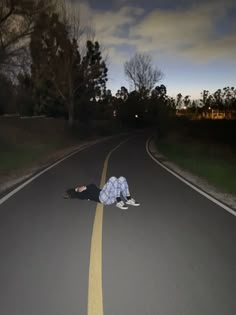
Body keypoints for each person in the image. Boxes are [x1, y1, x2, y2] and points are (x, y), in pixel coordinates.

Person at [63, 176, 140, 210]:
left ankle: (128, 198)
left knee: (121, 179)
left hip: (108, 196)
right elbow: (87, 188)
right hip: (103, 198)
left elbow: (89, 188)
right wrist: (76, 189)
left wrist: (82, 188)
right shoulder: (84, 194)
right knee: (113, 179)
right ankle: (119, 201)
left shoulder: (88, 192)